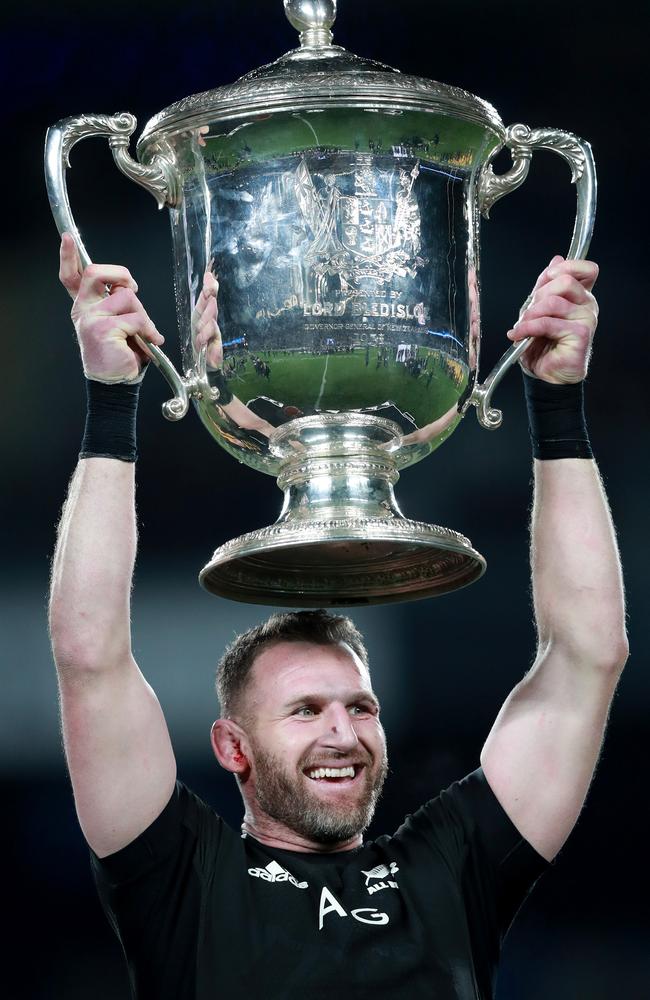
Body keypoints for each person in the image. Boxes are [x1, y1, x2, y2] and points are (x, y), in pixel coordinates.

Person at [50, 233, 628, 999]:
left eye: (361, 707)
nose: (342, 733)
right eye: (305, 710)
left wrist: (555, 402)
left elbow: (589, 654)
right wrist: (111, 398)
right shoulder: (182, 882)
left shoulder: (448, 873)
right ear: (233, 747)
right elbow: (89, 653)